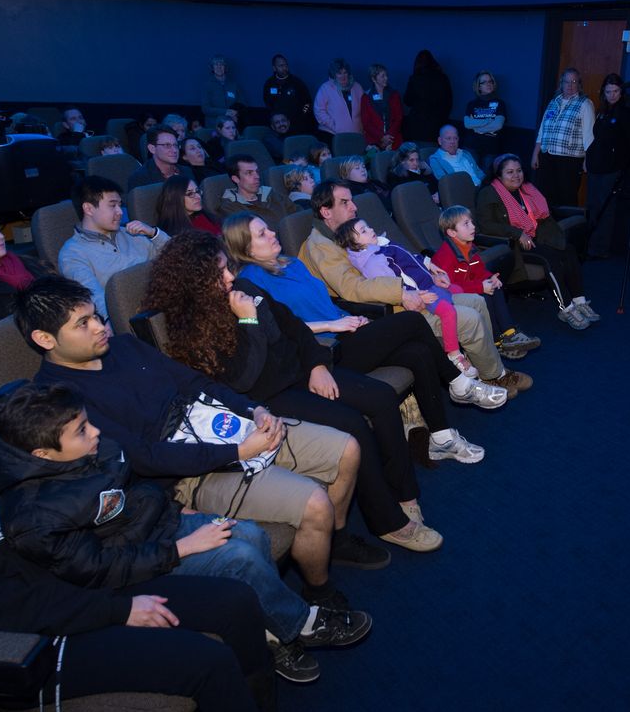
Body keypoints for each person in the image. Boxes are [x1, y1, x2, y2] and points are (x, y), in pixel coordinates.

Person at [0, 386, 276, 712]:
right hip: (39, 639)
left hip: (73, 583)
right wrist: (117, 611)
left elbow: (34, 487)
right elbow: (2, 604)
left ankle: (257, 710)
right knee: (207, 661)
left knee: (234, 602)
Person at [15, 276, 385, 592]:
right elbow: (145, 457)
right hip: (186, 473)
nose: (99, 326)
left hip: (225, 427)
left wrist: (251, 409)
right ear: (45, 339)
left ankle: (333, 540)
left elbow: (193, 383)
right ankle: (320, 590)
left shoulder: (123, 346)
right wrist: (237, 452)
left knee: (347, 449)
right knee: (314, 503)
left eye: (96, 315)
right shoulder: (60, 399)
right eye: (83, 324)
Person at [0, 381, 371, 683]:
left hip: (159, 525)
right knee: (239, 559)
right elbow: (97, 569)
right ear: (43, 455)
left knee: (251, 536)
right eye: (81, 430)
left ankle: (270, 629)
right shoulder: (35, 516)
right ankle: (299, 626)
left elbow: (138, 484)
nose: (95, 432)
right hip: (132, 569)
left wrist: (175, 509)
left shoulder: (92, 447)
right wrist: (182, 548)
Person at [147, 232, 456, 553]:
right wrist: (249, 320)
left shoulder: (243, 289)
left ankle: (406, 495)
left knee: (380, 397)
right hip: (264, 398)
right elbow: (242, 380)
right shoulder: (193, 327)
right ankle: (388, 523)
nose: (229, 277)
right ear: (195, 281)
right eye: (219, 273)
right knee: (354, 425)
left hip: (297, 373)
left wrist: (317, 366)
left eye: (228, 268)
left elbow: (292, 327)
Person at [222, 212, 509, 422]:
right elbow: (283, 332)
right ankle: (458, 382)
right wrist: (335, 324)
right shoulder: (251, 283)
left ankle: (442, 436)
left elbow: (326, 302)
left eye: (270, 229)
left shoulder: (292, 263)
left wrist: (349, 318)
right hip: (323, 349)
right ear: (245, 248)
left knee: (418, 353)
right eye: (262, 234)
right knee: (413, 322)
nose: (273, 234)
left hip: (346, 329)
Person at [301, 181, 531, 396]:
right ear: (326, 212)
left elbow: (399, 258)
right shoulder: (322, 247)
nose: (354, 206)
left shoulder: (352, 231)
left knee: (477, 301)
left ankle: (486, 371)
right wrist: (402, 292)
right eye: (345, 202)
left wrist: (430, 271)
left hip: (416, 290)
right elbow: (352, 288)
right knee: (469, 318)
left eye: (352, 200)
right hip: (388, 310)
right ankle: (494, 376)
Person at [337, 217, 474, 377]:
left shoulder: (384, 245)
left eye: (368, 226)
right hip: (422, 293)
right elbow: (395, 285)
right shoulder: (374, 262)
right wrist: (419, 296)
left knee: (458, 289)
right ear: (355, 244)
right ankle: (454, 353)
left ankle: (471, 348)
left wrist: (430, 266)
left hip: (428, 283)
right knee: (448, 312)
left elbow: (411, 258)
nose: (371, 230)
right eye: (364, 231)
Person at [477, 154, 596, 330]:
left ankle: (579, 301)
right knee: (550, 258)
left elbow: (541, 215)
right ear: (498, 175)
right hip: (512, 245)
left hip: (536, 236)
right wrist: (517, 233)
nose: (516, 175)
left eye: (518, 171)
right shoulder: (488, 193)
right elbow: (485, 225)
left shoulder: (527, 189)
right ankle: (566, 308)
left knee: (568, 249)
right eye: (509, 172)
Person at [432, 206, 540, 360]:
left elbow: (479, 271)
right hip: (453, 297)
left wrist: (490, 277)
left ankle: (510, 334)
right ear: (452, 233)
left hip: (469, 288)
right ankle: (496, 343)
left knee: (494, 287)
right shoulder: (445, 257)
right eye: (466, 224)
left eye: (471, 222)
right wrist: (480, 286)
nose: (473, 226)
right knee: (485, 295)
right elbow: (451, 288)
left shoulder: (470, 247)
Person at [58, 176, 170, 317]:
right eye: (112, 205)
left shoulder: (132, 233)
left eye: (120, 205)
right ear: (89, 208)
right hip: (132, 318)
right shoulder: (72, 254)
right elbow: (94, 299)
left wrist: (154, 233)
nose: (120, 212)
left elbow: (177, 258)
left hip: (166, 302)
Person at [584, 74, 630, 259]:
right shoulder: (603, 111)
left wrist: (620, 166)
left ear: (621, 91)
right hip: (595, 165)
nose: (612, 95)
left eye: (616, 91)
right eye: (608, 91)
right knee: (592, 206)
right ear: (603, 92)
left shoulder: (626, 112)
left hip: (611, 168)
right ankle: (590, 244)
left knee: (605, 209)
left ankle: (600, 249)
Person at [531, 69, 594, 208]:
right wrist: (536, 153)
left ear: (579, 84)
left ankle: (567, 229)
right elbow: (543, 129)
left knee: (566, 199)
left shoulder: (585, 104)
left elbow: (589, 135)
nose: (570, 85)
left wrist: (587, 159)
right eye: (566, 81)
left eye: (574, 82)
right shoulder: (554, 102)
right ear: (561, 83)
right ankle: (547, 228)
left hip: (569, 161)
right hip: (547, 156)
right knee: (544, 197)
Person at [221, 154, 297, 227]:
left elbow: (297, 213)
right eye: (249, 173)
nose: (257, 176)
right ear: (236, 179)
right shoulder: (231, 208)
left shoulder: (271, 194)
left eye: (257, 171)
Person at [403, 50, 452, 143]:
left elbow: (407, 100)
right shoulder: (443, 78)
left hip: (417, 125)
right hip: (437, 125)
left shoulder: (415, 79)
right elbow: (448, 103)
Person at [462, 71, 506, 170]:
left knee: (487, 178)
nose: (488, 84)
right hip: (471, 147)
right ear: (478, 86)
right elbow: (467, 124)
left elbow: (498, 125)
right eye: (484, 82)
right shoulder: (472, 104)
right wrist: (488, 120)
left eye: (490, 81)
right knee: (471, 176)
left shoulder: (500, 103)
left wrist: (478, 128)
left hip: (491, 148)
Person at [262, 54, 315, 135]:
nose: (284, 68)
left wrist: (302, 115)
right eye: (281, 66)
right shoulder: (269, 83)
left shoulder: (296, 82)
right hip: (279, 127)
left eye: (286, 65)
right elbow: (268, 103)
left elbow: (307, 102)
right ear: (274, 68)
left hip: (297, 125)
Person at [127, 127, 194, 190]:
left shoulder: (186, 171)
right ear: (152, 149)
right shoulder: (140, 178)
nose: (174, 150)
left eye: (175, 145)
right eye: (167, 145)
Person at [313, 58, 364, 138]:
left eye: (345, 72)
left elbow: (364, 109)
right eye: (339, 73)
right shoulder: (325, 88)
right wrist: (334, 125)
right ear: (334, 74)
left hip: (356, 135)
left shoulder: (357, 87)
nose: (343, 76)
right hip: (332, 134)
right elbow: (319, 111)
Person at [157, 174, 221, 236]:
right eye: (190, 194)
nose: (198, 196)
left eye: (197, 191)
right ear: (176, 198)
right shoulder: (172, 232)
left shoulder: (203, 216)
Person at [361, 63, 404, 151]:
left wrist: (389, 137)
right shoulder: (366, 97)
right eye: (382, 76)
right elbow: (366, 122)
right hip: (374, 141)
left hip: (393, 139)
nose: (386, 78)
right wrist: (381, 137)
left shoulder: (394, 95)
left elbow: (398, 117)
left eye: (386, 75)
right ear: (374, 79)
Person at [201, 55, 243, 126]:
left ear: (225, 67)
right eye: (216, 65)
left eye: (221, 64)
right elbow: (205, 109)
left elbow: (242, 103)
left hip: (231, 124)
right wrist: (225, 112)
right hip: (213, 125)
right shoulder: (207, 86)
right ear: (212, 68)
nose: (219, 67)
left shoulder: (233, 85)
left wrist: (236, 113)